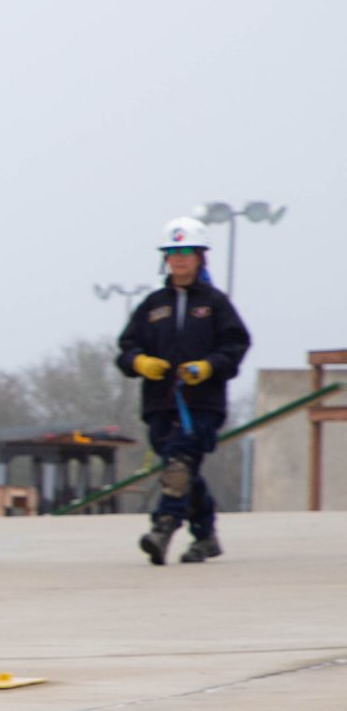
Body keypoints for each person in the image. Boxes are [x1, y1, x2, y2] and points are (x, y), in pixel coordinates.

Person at [117, 216, 250, 564]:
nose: (179, 259)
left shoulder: (215, 304)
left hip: (201, 404)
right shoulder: (152, 305)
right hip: (160, 405)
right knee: (181, 469)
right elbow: (125, 349)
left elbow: (235, 345)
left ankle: (163, 528)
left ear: (200, 256)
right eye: (172, 252)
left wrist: (209, 366)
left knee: (180, 461)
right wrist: (140, 362)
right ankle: (205, 536)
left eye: (186, 251)